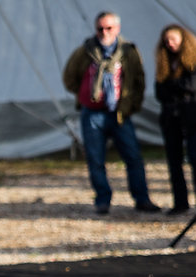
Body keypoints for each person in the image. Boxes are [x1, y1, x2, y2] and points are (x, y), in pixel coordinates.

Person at [63, 11, 159, 215]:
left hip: (119, 113)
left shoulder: (128, 51)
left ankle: (142, 199)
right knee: (95, 159)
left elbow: (138, 81)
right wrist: (85, 95)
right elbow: (70, 77)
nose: (104, 32)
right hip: (92, 114)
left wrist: (131, 105)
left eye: (109, 28)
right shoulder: (86, 51)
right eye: (100, 28)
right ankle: (102, 200)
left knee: (133, 157)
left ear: (117, 29)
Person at [155, 24, 196, 217]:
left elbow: (194, 85)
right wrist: (179, 87)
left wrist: (172, 85)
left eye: (173, 39)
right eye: (166, 41)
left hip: (194, 116)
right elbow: (159, 92)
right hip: (172, 118)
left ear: (183, 39)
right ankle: (180, 202)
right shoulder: (164, 62)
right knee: (174, 161)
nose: (170, 44)